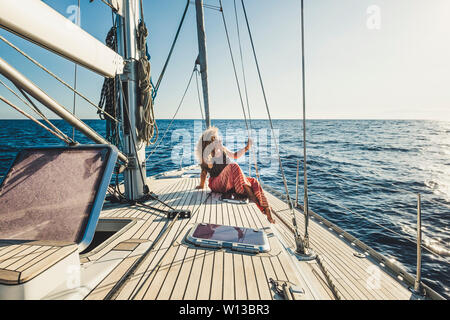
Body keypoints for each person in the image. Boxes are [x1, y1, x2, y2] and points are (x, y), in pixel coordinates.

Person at [194, 126, 275, 224]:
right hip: (217, 183)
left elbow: (235, 155)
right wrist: (202, 185)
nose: (220, 139)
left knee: (253, 181)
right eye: (216, 138)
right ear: (211, 141)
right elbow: (204, 172)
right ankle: (252, 197)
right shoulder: (206, 155)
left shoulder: (222, 149)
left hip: (227, 183)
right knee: (233, 166)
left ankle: (266, 208)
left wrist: (246, 148)